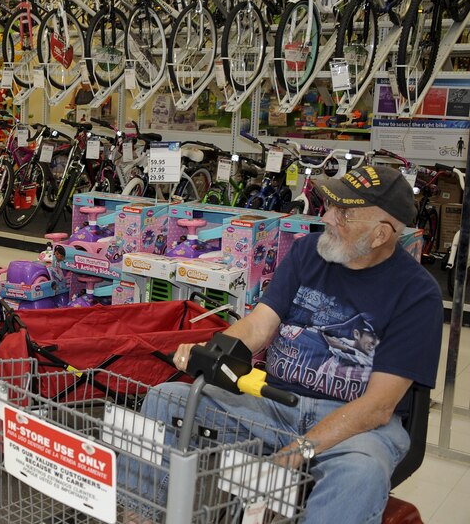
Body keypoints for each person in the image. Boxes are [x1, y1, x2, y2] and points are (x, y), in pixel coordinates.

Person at [127, 165, 443, 524]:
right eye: (330, 205)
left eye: (344, 213)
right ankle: (139, 516)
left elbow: (377, 407)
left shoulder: (417, 294)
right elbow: (260, 325)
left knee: (361, 474)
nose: (326, 217)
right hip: (273, 405)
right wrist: (209, 349)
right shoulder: (309, 251)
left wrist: (302, 448)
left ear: (380, 234)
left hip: (354, 426)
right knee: (166, 400)